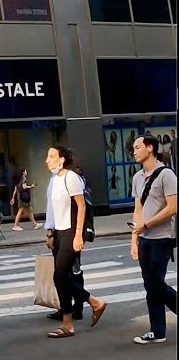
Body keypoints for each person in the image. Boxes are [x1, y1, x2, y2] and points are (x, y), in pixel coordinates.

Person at [43, 145, 108, 338]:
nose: (47, 160)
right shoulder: (54, 180)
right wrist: (50, 233)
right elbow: (51, 209)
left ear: (61, 159)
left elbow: (81, 206)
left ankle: (69, 323)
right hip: (60, 232)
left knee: (60, 276)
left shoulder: (71, 177)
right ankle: (94, 303)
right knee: (61, 277)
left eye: (51, 156)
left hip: (72, 231)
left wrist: (79, 234)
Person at [130, 135, 178, 344]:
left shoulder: (166, 175)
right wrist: (134, 239)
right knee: (150, 285)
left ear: (150, 148)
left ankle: (157, 331)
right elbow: (138, 209)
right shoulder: (137, 177)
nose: (134, 151)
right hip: (144, 239)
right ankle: (157, 332)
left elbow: (173, 207)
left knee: (155, 284)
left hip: (162, 238)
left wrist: (148, 225)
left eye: (137, 147)